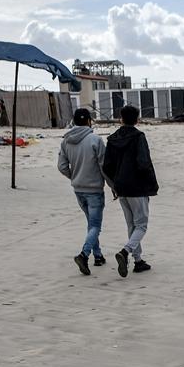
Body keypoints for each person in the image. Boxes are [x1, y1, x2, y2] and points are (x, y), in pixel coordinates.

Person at [103, 104, 159, 278]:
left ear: (121, 118)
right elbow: (144, 163)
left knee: (131, 224)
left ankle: (138, 260)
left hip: (121, 187)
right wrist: (151, 185)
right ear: (137, 119)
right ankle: (126, 252)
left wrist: (114, 185)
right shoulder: (138, 137)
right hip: (137, 186)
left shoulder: (112, 139)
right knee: (141, 224)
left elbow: (107, 166)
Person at [57, 107, 107, 275]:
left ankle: (98, 255)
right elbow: (104, 166)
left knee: (91, 223)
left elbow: (62, 166)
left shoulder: (66, 140)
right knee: (95, 225)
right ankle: (84, 254)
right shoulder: (95, 140)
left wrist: (74, 177)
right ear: (88, 121)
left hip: (78, 189)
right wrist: (113, 186)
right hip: (94, 189)